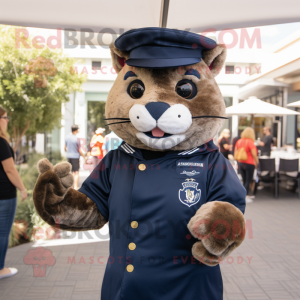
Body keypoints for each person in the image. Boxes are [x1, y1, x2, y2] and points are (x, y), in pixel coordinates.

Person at [0, 106, 27, 280]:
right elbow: (10, 170)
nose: (7, 120)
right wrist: (23, 188)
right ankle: (1, 269)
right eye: (5, 117)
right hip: (5, 195)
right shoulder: (1, 142)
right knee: (2, 232)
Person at [235, 127, 259, 202]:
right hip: (249, 163)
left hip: (240, 162)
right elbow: (254, 154)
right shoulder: (250, 142)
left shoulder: (239, 141)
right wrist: (257, 162)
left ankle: (245, 194)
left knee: (244, 179)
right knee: (248, 180)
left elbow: (235, 152)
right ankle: (245, 196)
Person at [65, 125, 85, 190]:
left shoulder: (67, 137)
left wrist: (69, 151)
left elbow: (65, 148)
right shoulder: (77, 139)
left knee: (71, 172)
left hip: (69, 156)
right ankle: (75, 187)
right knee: (76, 172)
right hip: (75, 157)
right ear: (76, 130)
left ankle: (71, 186)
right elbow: (79, 150)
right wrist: (84, 156)